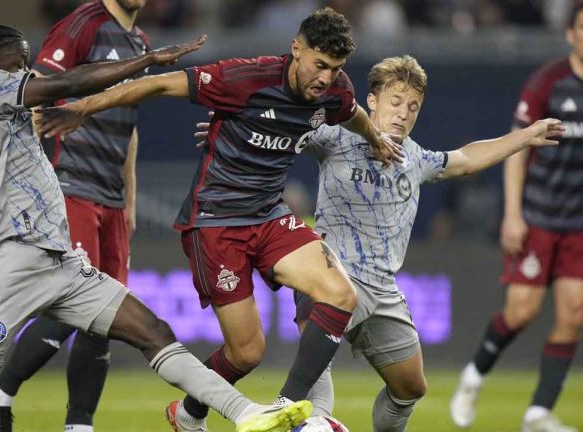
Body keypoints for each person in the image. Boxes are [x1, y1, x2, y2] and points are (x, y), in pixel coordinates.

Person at [0, 23, 313, 432]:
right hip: (13, 260)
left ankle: (245, 413)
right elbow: (72, 84)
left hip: (61, 260)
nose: (27, 69)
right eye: (20, 61)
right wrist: (147, 61)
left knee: (152, 330)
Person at [35, 7, 405, 432]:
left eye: (334, 68)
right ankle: (190, 413)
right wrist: (84, 106)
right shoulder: (245, 78)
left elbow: (351, 109)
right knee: (246, 353)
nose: (325, 77)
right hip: (215, 221)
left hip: (268, 214)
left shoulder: (334, 91)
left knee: (341, 294)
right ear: (296, 49)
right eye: (319, 65)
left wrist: (375, 138)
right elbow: (156, 83)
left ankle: (288, 408)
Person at [279, 55, 561, 432]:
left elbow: (466, 159)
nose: (403, 114)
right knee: (315, 352)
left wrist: (526, 136)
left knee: (410, 386)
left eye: (413, 107)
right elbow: (282, 131)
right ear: (373, 100)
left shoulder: (414, 158)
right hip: (332, 275)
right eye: (395, 102)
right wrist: (231, 131)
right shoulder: (336, 135)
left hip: (382, 290)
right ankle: (313, 422)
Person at [0, 2, 151, 431]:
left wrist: (129, 196)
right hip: (70, 187)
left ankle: (79, 424)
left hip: (110, 198)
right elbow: (34, 88)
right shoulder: (85, 23)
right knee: (74, 302)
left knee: (105, 318)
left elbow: (130, 128)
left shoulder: (140, 43)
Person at [451, 3, 583, 432]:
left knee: (573, 312)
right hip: (540, 216)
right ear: (571, 35)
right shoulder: (548, 81)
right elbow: (517, 147)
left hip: (579, 225)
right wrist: (513, 213)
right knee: (522, 311)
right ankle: (473, 376)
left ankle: (538, 412)